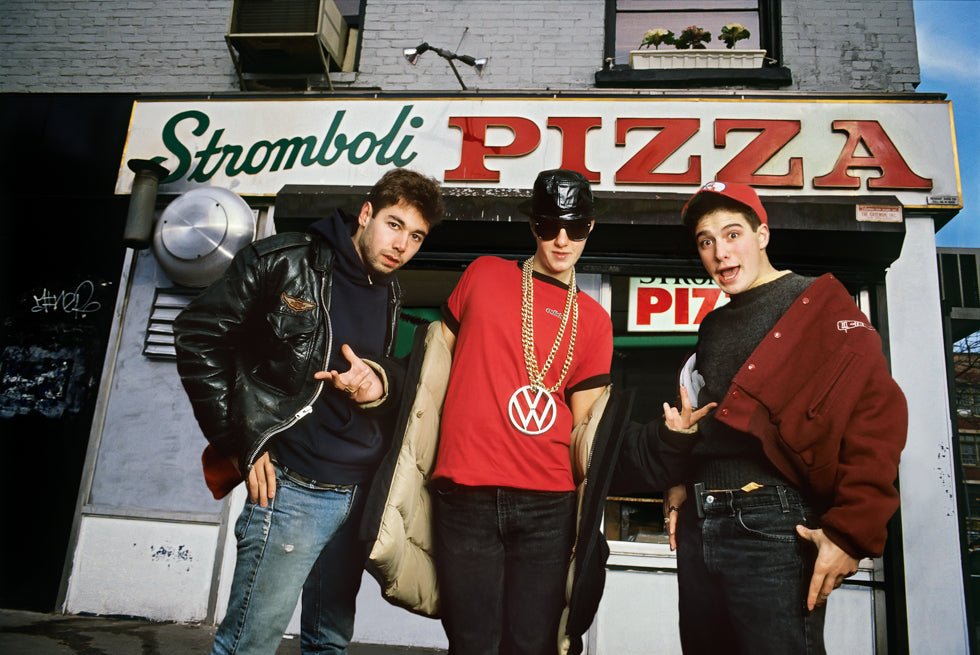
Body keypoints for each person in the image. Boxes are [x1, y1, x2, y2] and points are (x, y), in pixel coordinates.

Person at [172, 168, 444, 655]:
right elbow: (198, 335)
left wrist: (373, 382)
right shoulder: (285, 259)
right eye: (394, 224)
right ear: (366, 214)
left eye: (416, 235)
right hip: (294, 487)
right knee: (248, 645)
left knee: (329, 643)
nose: (402, 245)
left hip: (358, 491)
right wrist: (242, 444)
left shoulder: (391, 290)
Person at [654, 180, 908, 654]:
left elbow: (876, 415)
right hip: (700, 519)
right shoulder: (713, 324)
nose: (720, 253)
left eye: (733, 235)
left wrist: (850, 531)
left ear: (762, 235)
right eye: (706, 241)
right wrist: (678, 480)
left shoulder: (818, 305)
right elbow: (712, 425)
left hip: (774, 526)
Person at [431, 169, 613, 655]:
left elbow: (586, 435)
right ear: (532, 225)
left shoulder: (594, 321)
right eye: (549, 225)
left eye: (574, 228)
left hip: (548, 502)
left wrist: (584, 518)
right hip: (465, 489)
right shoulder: (484, 274)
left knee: (531, 644)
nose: (561, 239)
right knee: (471, 642)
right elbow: (430, 375)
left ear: (590, 228)